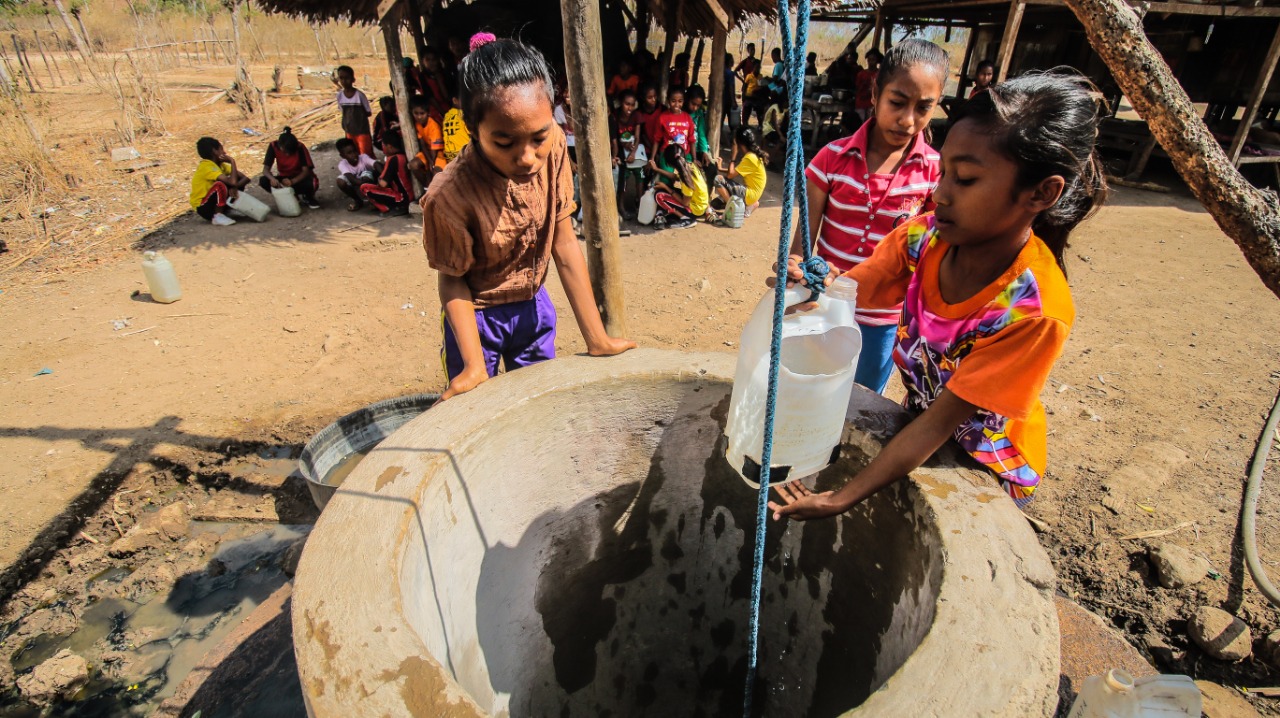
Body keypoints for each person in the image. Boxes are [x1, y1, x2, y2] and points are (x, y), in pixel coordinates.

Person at [769, 71, 1105, 519]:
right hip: (924, 426)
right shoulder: (924, 240)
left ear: (1041, 193)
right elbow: (852, 287)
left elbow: (939, 423)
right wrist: (811, 283)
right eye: (942, 170)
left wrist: (839, 497)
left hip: (988, 465)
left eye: (964, 179)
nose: (939, 193)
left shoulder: (1031, 311)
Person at [421, 35, 634, 400]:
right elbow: (452, 281)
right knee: (476, 408)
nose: (526, 157)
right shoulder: (449, 196)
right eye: (504, 143)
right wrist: (473, 365)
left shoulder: (553, 155)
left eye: (539, 136)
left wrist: (596, 338)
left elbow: (564, 245)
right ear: (473, 130)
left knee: (536, 403)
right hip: (476, 317)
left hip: (533, 307)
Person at [797, 39, 947, 395]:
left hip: (884, 320)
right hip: (825, 305)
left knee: (862, 402)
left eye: (924, 108)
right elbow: (802, 243)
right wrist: (797, 273)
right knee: (813, 390)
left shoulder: (937, 175)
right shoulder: (831, 159)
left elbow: (933, 254)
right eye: (897, 102)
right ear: (876, 93)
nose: (908, 120)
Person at [189, 137, 249, 226]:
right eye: (221, 149)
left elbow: (245, 178)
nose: (224, 152)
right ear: (215, 151)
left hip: (213, 202)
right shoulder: (206, 166)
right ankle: (218, 216)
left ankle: (227, 209)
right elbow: (231, 182)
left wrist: (234, 187)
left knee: (235, 180)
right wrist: (232, 161)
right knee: (220, 185)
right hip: (203, 207)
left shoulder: (221, 165)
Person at [259, 126, 319, 209]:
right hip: (284, 176)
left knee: (311, 183)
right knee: (263, 180)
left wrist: (292, 181)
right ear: (280, 146)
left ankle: (308, 197)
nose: (287, 155)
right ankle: (289, 196)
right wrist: (272, 179)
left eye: (290, 153)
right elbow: (265, 170)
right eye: (285, 152)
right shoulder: (273, 146)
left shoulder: (300, 147)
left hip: (298, 177)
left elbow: (306, 171)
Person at [650, 144, 709, 228]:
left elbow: (685, 202)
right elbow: (674, 177)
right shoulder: (690, 166)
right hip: (701, 205)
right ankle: (679, 215)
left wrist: (666, 187)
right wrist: (657, 169)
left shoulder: (686, 178)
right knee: (666, 190)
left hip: (695, 210)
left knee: (659, 195)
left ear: (669, 164)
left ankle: (685, 218)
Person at [713, 126, 767, 216]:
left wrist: (733, 156)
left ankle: (733, 210)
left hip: (750, 194)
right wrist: (720, 168)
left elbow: (730, 175)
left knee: (718, 179)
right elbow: (737, 171)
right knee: (717, 202)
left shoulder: (749, 158)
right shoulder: (753, 155)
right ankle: (749, 205)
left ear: (739, 143)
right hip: (754, 195)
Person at [611, 90, 646, 219]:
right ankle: (621, 206)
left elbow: (637, 137)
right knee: (622, 178)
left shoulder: (636, 116)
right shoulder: (615, 116)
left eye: (632, 104)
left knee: (640, 174)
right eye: (627, 104)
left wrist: (632, 152)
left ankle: (640, 204)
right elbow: (614, 138)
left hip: (634, 151)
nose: (629, 108)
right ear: (621, 103)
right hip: (620, 150)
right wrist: (623, 146)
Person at [362, 131, 413, 216]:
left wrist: (380, 176)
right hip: (410, 194)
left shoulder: (392, 159)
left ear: (389, 147)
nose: (383, 148)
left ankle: (387, 208)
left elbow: (383, 184)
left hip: (402, 198)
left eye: (383, 145)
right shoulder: (403, 155)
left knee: (364, 188)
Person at [648, 86, 695, 169]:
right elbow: (657, 139)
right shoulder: (662, 117)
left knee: (688, 176)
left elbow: (691, 140)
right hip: (667, 155)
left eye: (680, 101)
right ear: (668, 100)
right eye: (673, 101)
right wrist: (652, 158)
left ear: (683, 101)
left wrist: (695, 159)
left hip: (685, 155)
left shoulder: (687, 118)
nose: (676, 104)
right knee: (669, 178)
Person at [333, 65, 374, 158]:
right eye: (341, 78)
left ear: (353, 79)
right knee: (353, 153)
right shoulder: (340, 96)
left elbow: (368, 112)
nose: (343, 81)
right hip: (349, 130)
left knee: (365, 153)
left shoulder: (359, 95)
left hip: (362, 130)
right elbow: (343, 111)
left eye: (347, 78)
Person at [407, 95, 446, 186]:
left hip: (439, 153)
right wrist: (428, 162)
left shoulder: (433, 126)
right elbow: (423, 144)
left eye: (422, 113)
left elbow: (435, 151)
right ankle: (427, 187)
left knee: (436, 173)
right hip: (427, 153)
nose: (419, 117)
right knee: (412, 165)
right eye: (416, 113)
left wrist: (431, 164)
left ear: (428, 113)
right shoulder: (417, 124)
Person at [336, 137, 379, 211]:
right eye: (349, 153)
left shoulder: (363, 157)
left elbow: (376, 164)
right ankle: (358, 201)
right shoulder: (342, 164)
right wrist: (364, 184)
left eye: (354, 151)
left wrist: (384, 176)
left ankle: (373, 199)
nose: (354, 154)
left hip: (368, 183)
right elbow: (352, 179)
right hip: (357, 183)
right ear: (342, 156)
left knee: (366, 174)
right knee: (340, 181)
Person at [633, 84, 662, 161]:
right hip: (646, 148)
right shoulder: (639, 113)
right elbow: (642, 135)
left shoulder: (662, 110)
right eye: (649, 97)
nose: (653, 100)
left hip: (661, 148)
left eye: (655, 96)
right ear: (643, 98)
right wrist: (654, 152)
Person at [684, 85, 713, 164]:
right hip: (684, 150)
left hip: (697, 149)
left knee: (711, 167)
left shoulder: (699, 113)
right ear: (687, 99)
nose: (695, 108)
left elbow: (701, 133)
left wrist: (704, 151)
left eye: (698, 105)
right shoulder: (681, 114)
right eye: (693, 104)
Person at [853, 49, 881, 123]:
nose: (871, 62)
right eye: (869, 59)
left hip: (872, 104)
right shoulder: (861, 74)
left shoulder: (880, 74)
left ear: (877, 61)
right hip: (861, 103)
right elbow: (857, 88)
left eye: (873, 59)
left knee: (871, 123)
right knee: (859, 123)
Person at [441, 95, 470, 162]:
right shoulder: (463, 115)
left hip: (450, 156)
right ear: (455, 100)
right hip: (463, 155)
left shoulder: (447, 115)